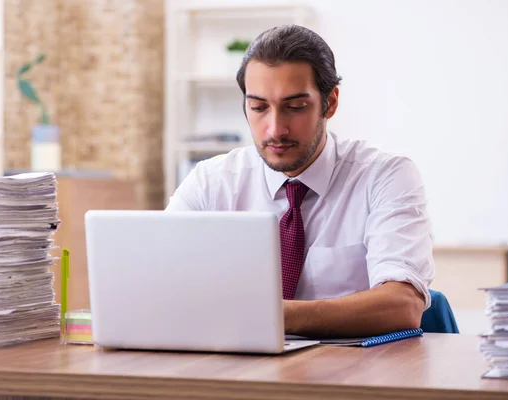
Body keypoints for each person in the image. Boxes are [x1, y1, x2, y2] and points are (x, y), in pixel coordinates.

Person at [166, 24, 434, 338]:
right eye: (259, 107)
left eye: (295, 107)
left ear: (330, 102)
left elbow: (402, 305)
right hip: (238, 369)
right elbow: (162, 280)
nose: (275, 129)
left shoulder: (385, 176)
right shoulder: (211, 182)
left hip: (351, 373)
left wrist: (268, 316)